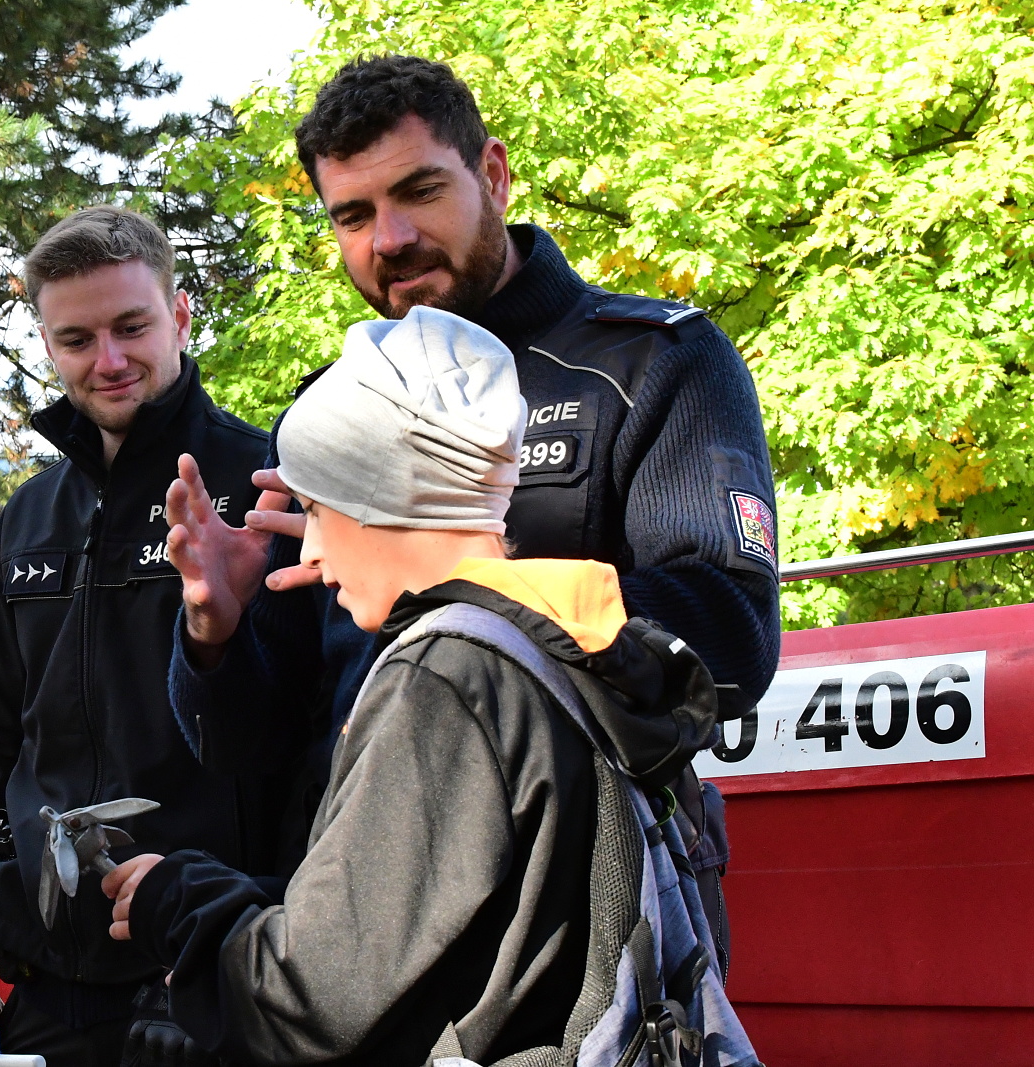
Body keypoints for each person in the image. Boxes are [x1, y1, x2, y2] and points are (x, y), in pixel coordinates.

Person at [164, 56, 777, 945]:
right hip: (363, 935)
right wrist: (214, 636)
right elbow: (243, 746)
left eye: (420, 191)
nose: (390, 238)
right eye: (353, 215)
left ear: (492, 175)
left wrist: (460, 582)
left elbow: (732, 643)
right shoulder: (330, 409)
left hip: (581, 939)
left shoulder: (656, 361)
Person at [103, 307, 730, 1066]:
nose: (312, 552)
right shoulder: (557, 644)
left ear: (382, 500)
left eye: (318, 509)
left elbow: (312, 999)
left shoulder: (446, 677)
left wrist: (177, 901)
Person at [0, 206, 280, 1066]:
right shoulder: (26, 516)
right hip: (49, 982)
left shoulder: (266, 483)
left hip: (209, 972)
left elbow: (308, 740)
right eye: (77, 339)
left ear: (181, 315)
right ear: (48, 344)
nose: (109, 360)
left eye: (132, 327)